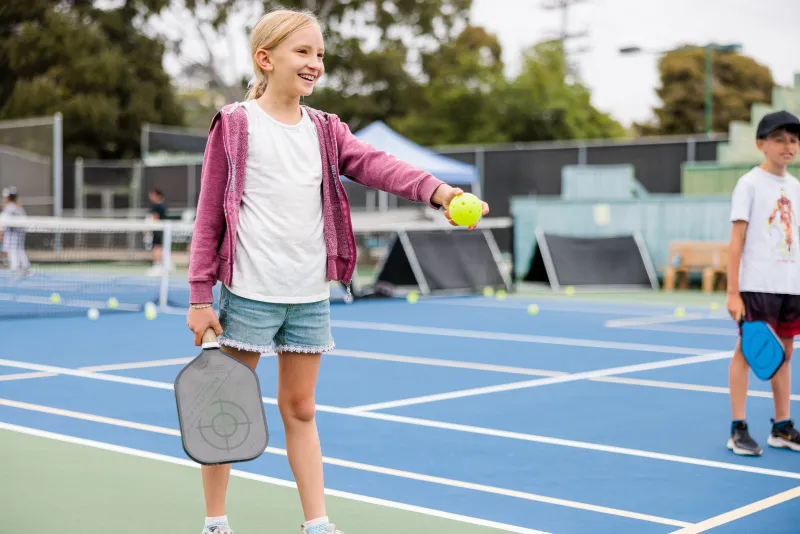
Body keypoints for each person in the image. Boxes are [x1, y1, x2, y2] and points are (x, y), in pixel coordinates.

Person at [185, 8, 489, 534]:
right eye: (302, 52)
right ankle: (215, 522)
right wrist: (198, 295)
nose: (314, 63)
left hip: (308, 294)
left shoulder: (326, 130)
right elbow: (210, 212)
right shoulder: (235, 125)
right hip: (249, 293)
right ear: (266, 58)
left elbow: (377, 164)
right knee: (225, 407)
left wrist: (440, 192)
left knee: (301, 409)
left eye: (320, 54)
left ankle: (318, 523)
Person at [726, 110, 800, 456]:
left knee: (784, 353)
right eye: (780, 138)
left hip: (790, 285)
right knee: (746, 352)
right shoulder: (749, 184)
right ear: (761, 144)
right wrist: (732, 292)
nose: (789, 145)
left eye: (794, 139)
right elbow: (736, 241)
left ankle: (782, 427)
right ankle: (737, 428)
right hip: (758, 285)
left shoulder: (796, 187)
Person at [0, 186, 31, 278]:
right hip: (19, 234)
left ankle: (15, 269)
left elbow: (3, 223)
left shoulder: (9, 208)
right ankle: (25, 267)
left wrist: (1, 234)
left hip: (13, 235)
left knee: (13, 251)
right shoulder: (19, 208)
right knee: (19, 251)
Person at [147, 187, 168, 275]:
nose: (150, 196)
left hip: (158, 229)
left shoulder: (157, 206)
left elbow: (155, 218)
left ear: (156, 195)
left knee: (157, 247)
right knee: (159, 247)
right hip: (161, 230)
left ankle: (157, 265)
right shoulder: (163, 205)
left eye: (152, 194)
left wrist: (149, 229)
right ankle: (162, 265)